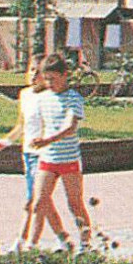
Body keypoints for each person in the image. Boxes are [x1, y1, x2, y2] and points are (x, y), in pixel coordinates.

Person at [30, 53, 93, 250]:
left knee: (74, 203)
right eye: (46, 79)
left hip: (69, 159)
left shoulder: (73, 98)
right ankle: (60, 238)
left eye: (53, 79)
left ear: (65, 75)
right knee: (40, 202)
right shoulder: (43, 98)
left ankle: (86, 242)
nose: (49, 83)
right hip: (48, 158)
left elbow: (70, 127)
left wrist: (47, 140)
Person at [0, 54, 49, 251]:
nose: (34, 75)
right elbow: (21, 125)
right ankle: (65, 238)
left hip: (45, 155)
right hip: (28, 154)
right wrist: (6, 141)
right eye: (32, 70)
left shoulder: (50, 96)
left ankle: (24, 242)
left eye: (39, 72)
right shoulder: (24, 95)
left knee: (33, 200)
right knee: (41, 201)